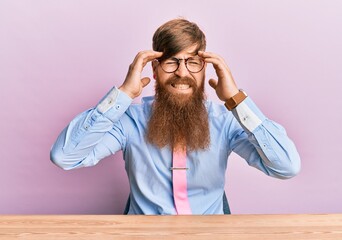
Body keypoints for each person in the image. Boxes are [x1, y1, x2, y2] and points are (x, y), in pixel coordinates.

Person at [50, 18, 301, 215]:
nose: (182, 72)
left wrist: (235, 99)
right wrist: (124, 94)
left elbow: (286, 167)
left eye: (193, 62)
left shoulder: (225, 121)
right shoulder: (129, 121)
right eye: (171, 62)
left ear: (205, 70)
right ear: (155, 70)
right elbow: (65, 157)